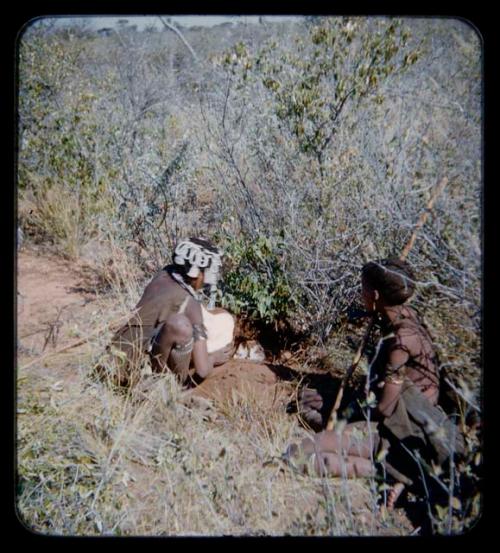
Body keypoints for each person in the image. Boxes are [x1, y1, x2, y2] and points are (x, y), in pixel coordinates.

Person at [286, 258, 464, 509]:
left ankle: (389, 472)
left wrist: (357, 409)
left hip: (402, 433)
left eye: (363, 289)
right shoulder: (407, 317)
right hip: (404, 422)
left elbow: (385, 409)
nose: (361, 294)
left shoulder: (401, 341)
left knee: (300, 455)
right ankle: (392, 467)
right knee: (310, 406)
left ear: (376, 295)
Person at [108, 237, 235, 387]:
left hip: (113, 359)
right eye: (206, 272)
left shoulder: (163, 275)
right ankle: (166, 385)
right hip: (133, 373)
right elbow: (202, 371)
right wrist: (213, 358)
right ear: (197, 273)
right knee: (180, 326)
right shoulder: (191, 305)